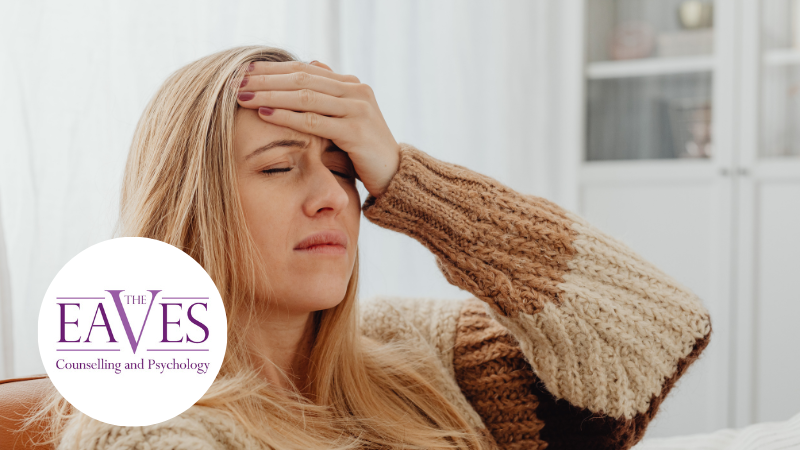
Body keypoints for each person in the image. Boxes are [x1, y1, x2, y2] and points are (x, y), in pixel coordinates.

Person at [22, 45, 712, 450]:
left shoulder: (416, 350)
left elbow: (659, 327)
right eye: (277, 167)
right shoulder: (143, 423)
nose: (331, 196)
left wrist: (410, 179)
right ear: (189, 205)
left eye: (344, 166)